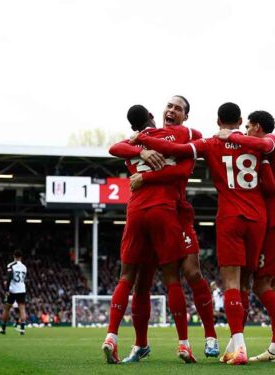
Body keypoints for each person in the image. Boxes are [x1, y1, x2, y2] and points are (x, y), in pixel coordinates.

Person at [132, 102, 275, 365]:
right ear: (239, 121)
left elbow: (175, 150)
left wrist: (143, 139)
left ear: (217, 121)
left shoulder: (209, 143)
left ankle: (240, 346)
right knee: (251, 283)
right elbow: (270, 186)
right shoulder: (253, 144)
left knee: (232, 283)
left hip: (230, 217)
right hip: (258, 218)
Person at [113, 98, 220, 361]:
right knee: (142, 283)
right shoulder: (143, 139)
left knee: (191, 272)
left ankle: (210, 336)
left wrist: (143, 159)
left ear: (185, 116)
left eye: (178, 109)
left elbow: (182, 170)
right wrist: (140, 146)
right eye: (169, 106)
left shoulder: (189, 135)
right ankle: (140, 345)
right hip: (152, 213)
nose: (171, 111)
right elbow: (115, 147)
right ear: (158, 112)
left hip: (177, 212)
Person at [103, 105, 195, 364]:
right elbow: (186, 159)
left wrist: (139, 148)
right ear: (152, 117)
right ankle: (184, 344)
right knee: (171, 278)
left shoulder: (130, 143)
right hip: (164, 211)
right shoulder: (170, 136)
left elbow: (114, 149)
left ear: (133, 127)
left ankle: (112, 336)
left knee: (128, 278)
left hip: (135, 212)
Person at [215, 110, 275, 362]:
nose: (245, 132)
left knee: (258, 284)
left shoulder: (272, 141)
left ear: (257, 126)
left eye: (248, 127)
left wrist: (229, 137)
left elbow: (269, 185)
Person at [0, 250, 27, 336]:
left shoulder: (10, 265)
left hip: (13, 290)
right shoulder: (24, 267)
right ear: (21, 257)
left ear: (14, 256)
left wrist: (6, 289)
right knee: (22, 309)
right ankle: (22, 329)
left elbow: (9, 277)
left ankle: (3, 328)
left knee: (6, 308)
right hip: (22, 290)